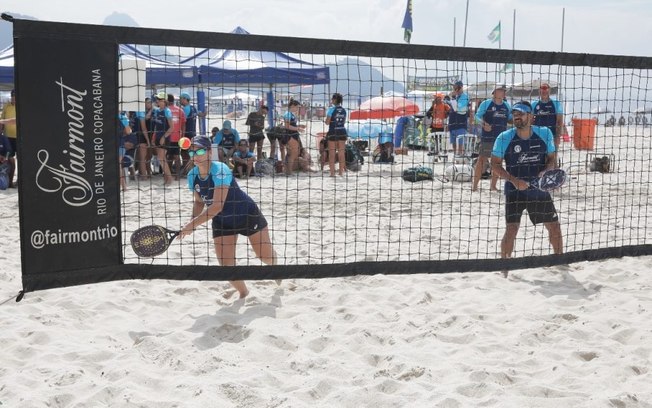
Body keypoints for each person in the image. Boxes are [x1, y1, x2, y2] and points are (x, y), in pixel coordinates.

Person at [179, 136, 277, 299]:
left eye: (200, 150)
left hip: (246, 214)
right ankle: (244, 292)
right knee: (226, 266)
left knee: (265, 257)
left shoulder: (220, 169)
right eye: (191, 152)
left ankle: (279, 269)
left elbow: (217, 205)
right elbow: (198, 201)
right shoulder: (192, 175)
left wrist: (192, 225)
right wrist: (191, 221)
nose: (195, 155)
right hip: (223, 221)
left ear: (210, 152)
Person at [490, 101, 562, 265]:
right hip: (515, 190)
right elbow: (494, 165)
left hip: (538, 189)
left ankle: (560, 261)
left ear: (531, 116)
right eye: (514, 114)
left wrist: (547, 171)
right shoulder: (504, 137)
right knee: (512, 229)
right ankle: (505, 265)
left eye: (521, 114)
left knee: (554, 226)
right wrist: (514, 181)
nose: (517, 117)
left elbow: (551, 159)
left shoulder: (545, 133)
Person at [473, 84, 512, 192]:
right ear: (494, 92)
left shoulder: (507, 106)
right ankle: (475, 186)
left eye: (504, 91)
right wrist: (483, 124)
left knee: (498, 163)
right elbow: (476, 117)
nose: (503, 92)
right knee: (482, 160)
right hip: (488, 137)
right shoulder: (486, 103)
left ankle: (493, 186)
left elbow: (510, 119)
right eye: (501, 90)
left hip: (502, 138)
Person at [146, 92, 174, 184]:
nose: (157, 101)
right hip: (158, 137)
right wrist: (154, 138)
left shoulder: (167, 111)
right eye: (156, 99)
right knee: (161, 158)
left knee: (161, 158)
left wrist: (163, 137)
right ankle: (166, 179)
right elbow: (155, 126)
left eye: (159, 99)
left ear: (164, 101)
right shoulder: (157, 110)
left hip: (164, 138)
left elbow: (172, 127)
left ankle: (169, 179)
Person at [531, 82, 564, 151]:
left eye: (546, 88)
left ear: (549, 91)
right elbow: (530, 121)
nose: (544, 91)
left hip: (552, 136)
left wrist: (558, 136)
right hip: (538, 136)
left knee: (552, 158)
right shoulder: (534, 104)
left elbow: (559, 121)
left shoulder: (556, 103)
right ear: (539, 91)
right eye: (542, 88)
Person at [324, 93, 347, 177]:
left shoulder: (331, 109)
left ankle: (332, 173)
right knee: (341, 153)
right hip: (342, 131)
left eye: (332, 99)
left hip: (333, 132)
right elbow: (343, 122)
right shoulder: (344, 110)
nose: (331, 100)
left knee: (332, 154)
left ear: (334, 100)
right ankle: (341, 173)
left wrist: (327, 120)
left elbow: (327, 122)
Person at [166, 94, 186, 180]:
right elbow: (184, 124)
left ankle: (168, 175)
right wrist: (183, 136)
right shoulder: (180, 110)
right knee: (177, 156)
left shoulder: (166, 110)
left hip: (168, 137)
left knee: (168, 157)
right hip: (177, 136)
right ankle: (177, 176)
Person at [283, 100, 305, 175]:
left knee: (293, 153)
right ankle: (289, 171)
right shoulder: (288, 114)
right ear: (292, 106)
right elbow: (287, 126)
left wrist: (299, 126)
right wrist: (298, 128)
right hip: (290, 135)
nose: (297, 109)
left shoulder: (291, 114)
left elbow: (292, 125)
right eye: (297, 107)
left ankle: (288, 170)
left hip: (293, 134)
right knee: (293, 153)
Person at [0, 89, 17, 187]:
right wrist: (1, 131)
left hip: (18, 137)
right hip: (8, 138)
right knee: (10, 158)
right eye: (13, 97)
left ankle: (16, 181)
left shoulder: (21, 106)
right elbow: (1, 120)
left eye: (15, 97)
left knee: (18, 159)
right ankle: (9, 181)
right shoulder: (6, 105)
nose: (14, 99)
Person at [448, 80, 470, 156]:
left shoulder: (465, 96)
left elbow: (457, 107)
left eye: (456, 87)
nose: (454, 89)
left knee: (461, 142)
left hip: (461, 123)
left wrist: (453, 97)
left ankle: (460, 157)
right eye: (454, 87)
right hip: (452, 122)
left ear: (460, 88)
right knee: (453, 142)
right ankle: (455, 157)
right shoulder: (453, 96)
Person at [135, 97, 153, 180]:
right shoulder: (141, 112)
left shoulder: (134, 111)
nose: (149, 103)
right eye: (148, 102)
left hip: (134, 135)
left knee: (141, 157)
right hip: (141, 136)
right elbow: (144, 128)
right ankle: (144, 177)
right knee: (143, 157)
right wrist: (148, 141)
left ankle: (143, 173)